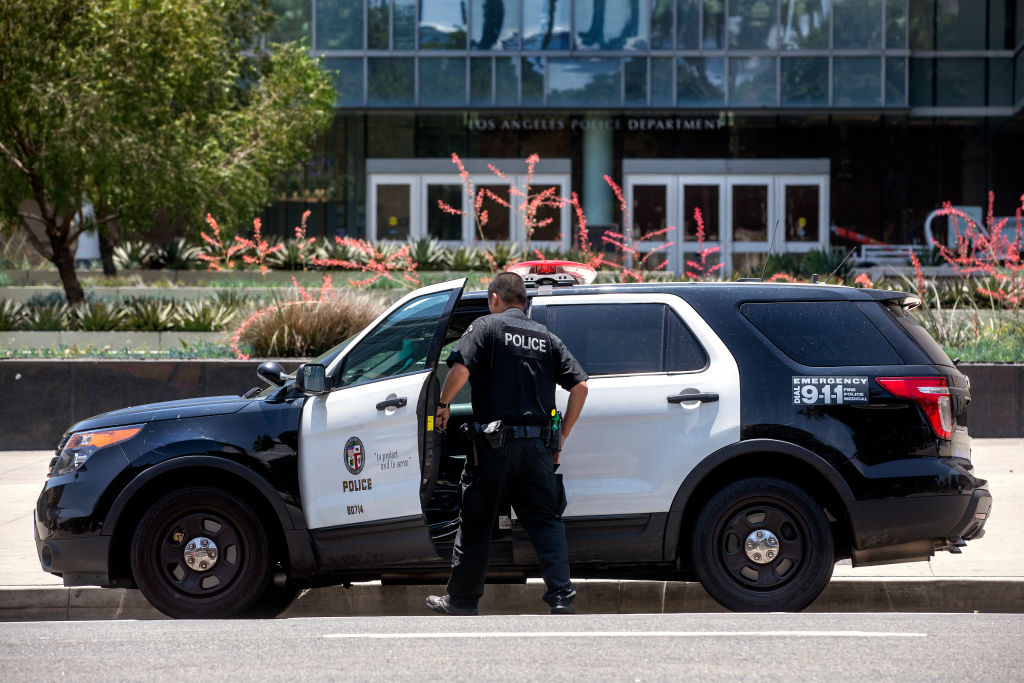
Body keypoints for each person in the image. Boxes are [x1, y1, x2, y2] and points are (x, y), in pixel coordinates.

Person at [426, 272, 588, 616]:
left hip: (494, 448)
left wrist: (442, 405)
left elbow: (460, 370)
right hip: (537, 449)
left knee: (477, 522)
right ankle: (561, 598)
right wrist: (563, 433)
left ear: (495, 299)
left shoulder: (486, 326)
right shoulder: (546, 337)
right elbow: (581, 387)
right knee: (546, 522)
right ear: (524, 302)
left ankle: (462, 601)